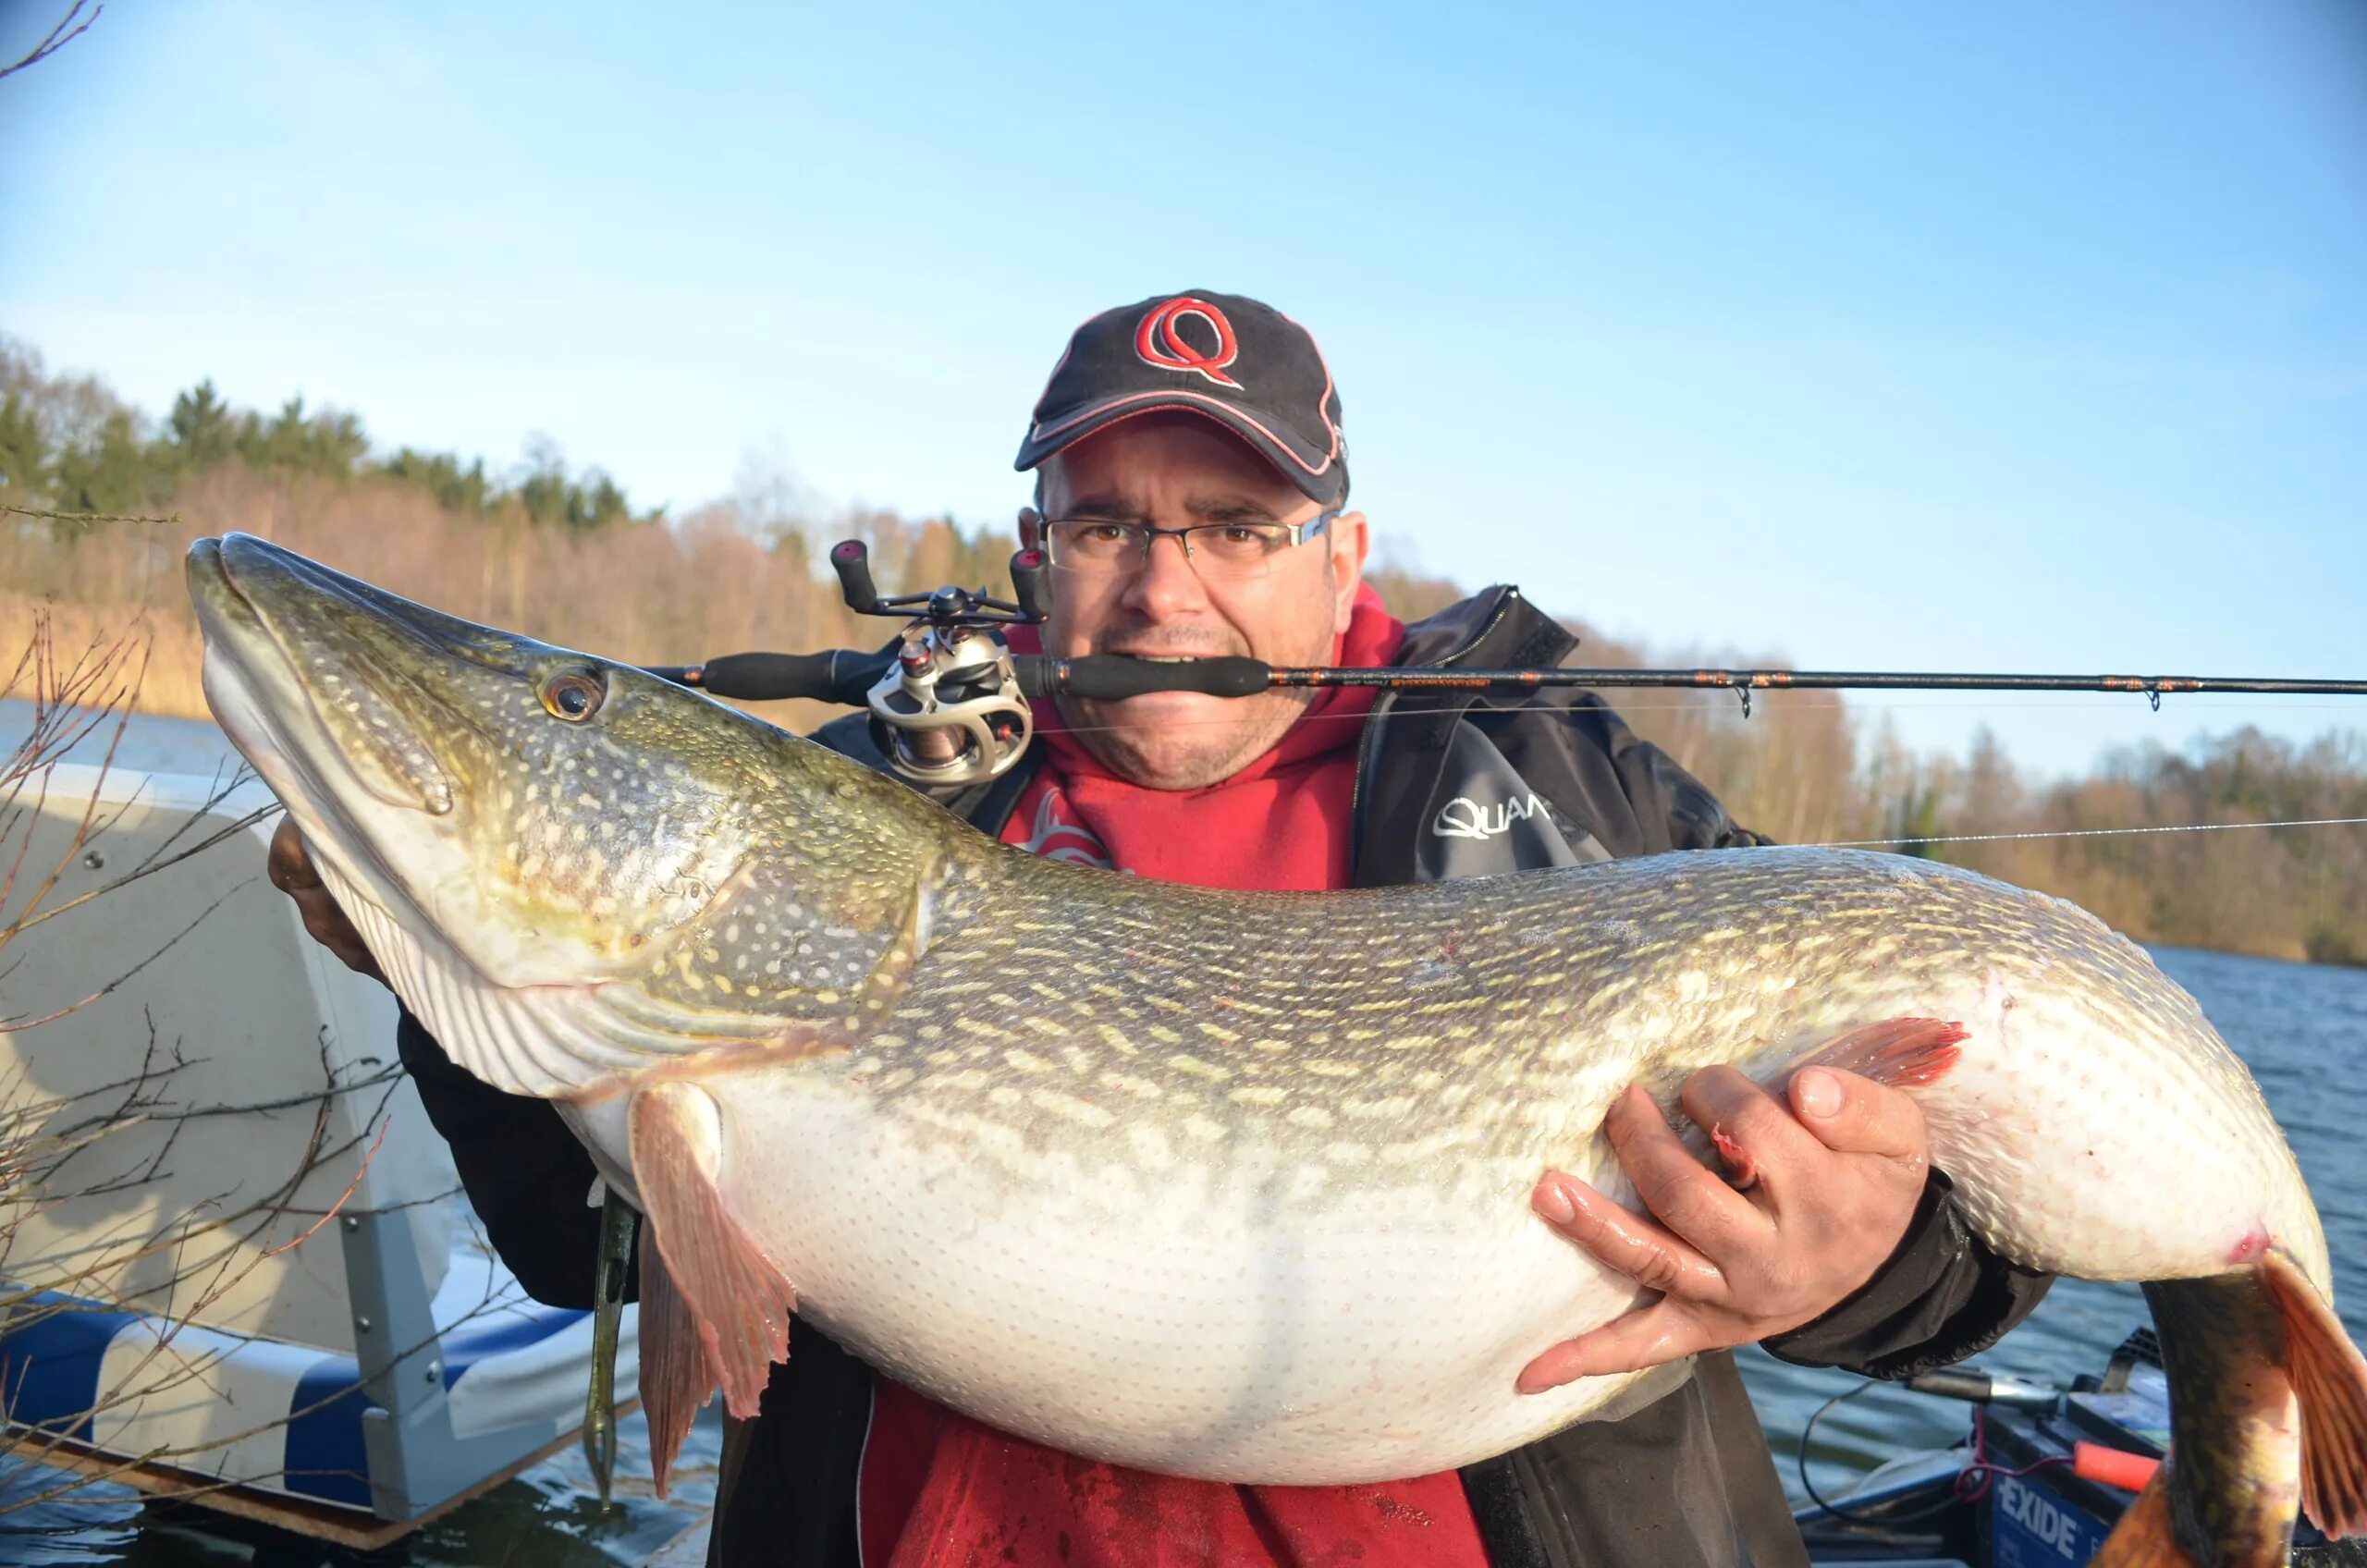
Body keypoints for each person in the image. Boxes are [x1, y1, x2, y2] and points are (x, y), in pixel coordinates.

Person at [270, 290, 2050, 1568]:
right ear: (1033, 554)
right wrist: (447, 977)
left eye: (1236, 526)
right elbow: (589, 1256)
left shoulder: (1563, 792)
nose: (1166, 583)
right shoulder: (879, 816)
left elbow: (1981, 1226)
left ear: (1342, 557)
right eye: (1107, 520)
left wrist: (1858, 1261)